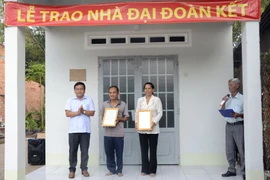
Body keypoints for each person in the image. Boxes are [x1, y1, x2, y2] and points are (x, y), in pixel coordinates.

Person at [65, 82, 95, 179]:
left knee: (85, 151)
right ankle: (72, 170)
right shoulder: (70, 100)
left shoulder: (89, 99)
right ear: (74, 90)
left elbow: (92, 112)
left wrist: (84, 111)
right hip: (73, 131)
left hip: (85, 130)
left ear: (84, 90)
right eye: (77, 89)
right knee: (72, 151)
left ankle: (84, 169)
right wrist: (78, 112)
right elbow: (67, 114)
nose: (79, 90)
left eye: (81, 89)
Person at [135, 82, 163, 178]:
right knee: (143, 150)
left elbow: (160, 113)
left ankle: (152, 170)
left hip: (153, 128)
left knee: (153, 150)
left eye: (149, 88)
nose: (147, 90)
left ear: (153, 89)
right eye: (145, 88)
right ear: (144, 90)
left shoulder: (156, 100)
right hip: (142, 128)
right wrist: (136, 123)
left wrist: (153, 122)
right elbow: (137, 112)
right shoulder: (140, 100)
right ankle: (144, 169)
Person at [101, 86, 129, 177]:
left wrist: (119, 119)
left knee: (119, 153)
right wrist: (104, 121)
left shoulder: (123, 104)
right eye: (110, 92)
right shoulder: (105, 104)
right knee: (109, 153)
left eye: (114, 92)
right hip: (107, 132)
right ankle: (111, 169)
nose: (112, 94)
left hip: (119, 133)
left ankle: (119, 170)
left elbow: (126, 117)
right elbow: (102, 116)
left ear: (118, 93)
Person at [220, 78, 245, 180]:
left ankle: (244, 171)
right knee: (229, 149)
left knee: (241, 149)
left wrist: (238, 115)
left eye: (231, 85)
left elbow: (247, 113)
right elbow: (221, 109)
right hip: (228, 126)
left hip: (238, 125)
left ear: (237, 86)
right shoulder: (227, 97)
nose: (229, 87)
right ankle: (231, 170)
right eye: (229, 85)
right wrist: (223, 102)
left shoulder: (243, 98)